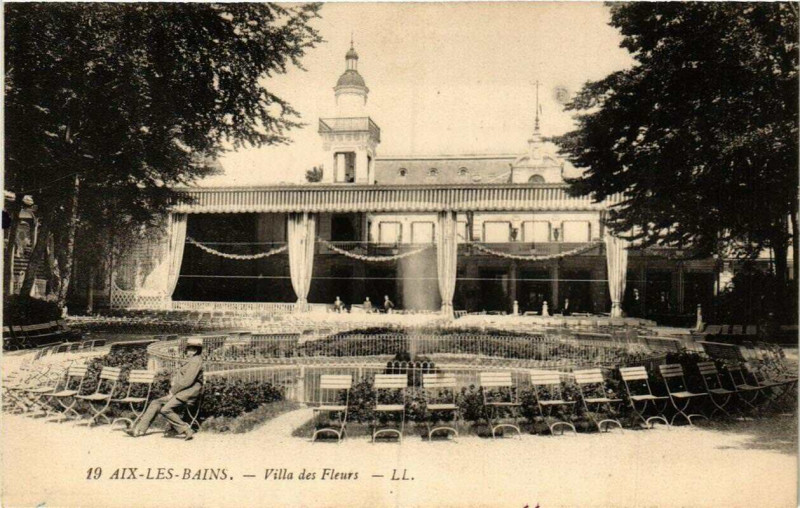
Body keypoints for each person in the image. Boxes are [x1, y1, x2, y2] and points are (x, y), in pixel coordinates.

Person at [129, 337, 204, 440]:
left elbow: (187, 381)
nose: (189, 351)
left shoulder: (196, 361)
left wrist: (172, 392)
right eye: (189, 348)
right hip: (182, 392)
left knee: (165, 409)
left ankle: (186, 429)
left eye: (192, 349)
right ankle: (139, 430)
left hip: (188, 393)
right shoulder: (192, 360)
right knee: (155, 403)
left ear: (197, 350)